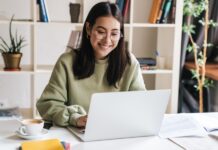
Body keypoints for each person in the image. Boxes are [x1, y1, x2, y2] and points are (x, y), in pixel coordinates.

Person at [36, 1, 146, 128]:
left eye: (114, 34)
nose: (107, 40)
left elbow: (140, 106)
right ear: (88, 28)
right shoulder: (66, 62)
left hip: (118, 131)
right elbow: (47, 104)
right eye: (101, 32)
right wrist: (75, 118)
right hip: (77, 132)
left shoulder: (130, 63)